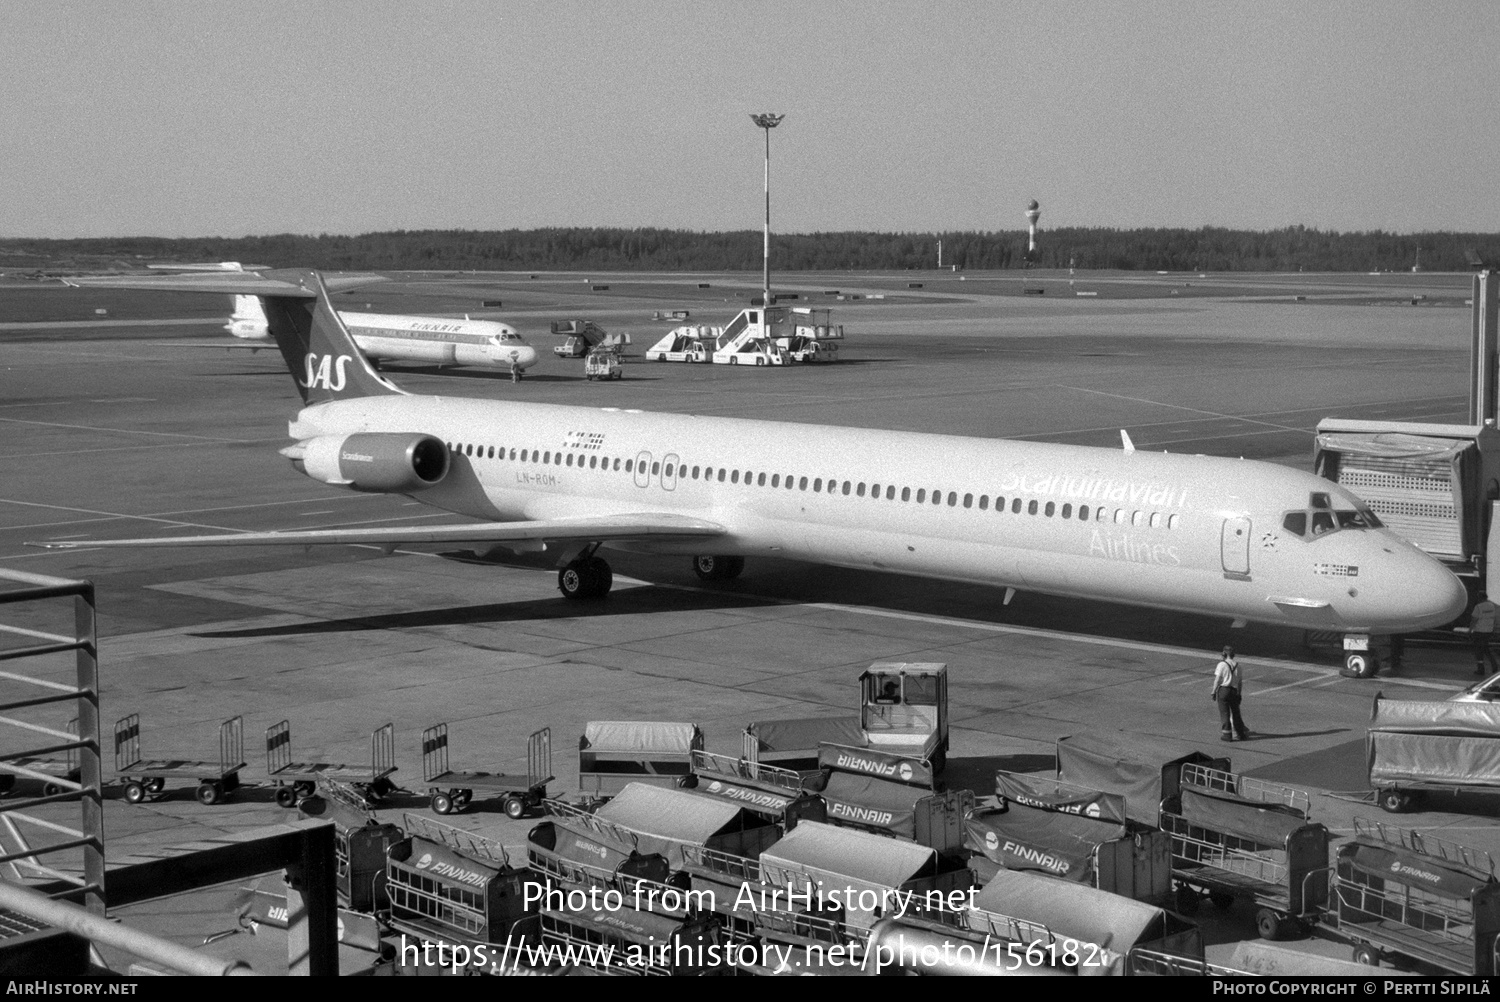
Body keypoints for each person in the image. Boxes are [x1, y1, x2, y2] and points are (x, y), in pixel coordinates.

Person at [1211, 645, 1250, 742]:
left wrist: (1213, 691)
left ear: (1224, 654)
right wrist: (1239, 694)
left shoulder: (1222, 664)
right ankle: (1241, 734)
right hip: (1234, 691)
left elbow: (1217, 680)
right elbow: (1239, 682)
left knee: (1225, 713)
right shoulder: (1238, 665)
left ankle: (1227, 735)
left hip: (1224, 690)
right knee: (1236, 713)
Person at [1471, 595, 1499, 677]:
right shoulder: (1492, 606)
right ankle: (1494, 665)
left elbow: (1474, 619)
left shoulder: (1478, 607)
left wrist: (1470, 629)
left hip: (1479, 631)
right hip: (1488, 631)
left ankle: (1481, 669)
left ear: (1480, 598)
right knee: (1486, 649)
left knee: (1478, 650)